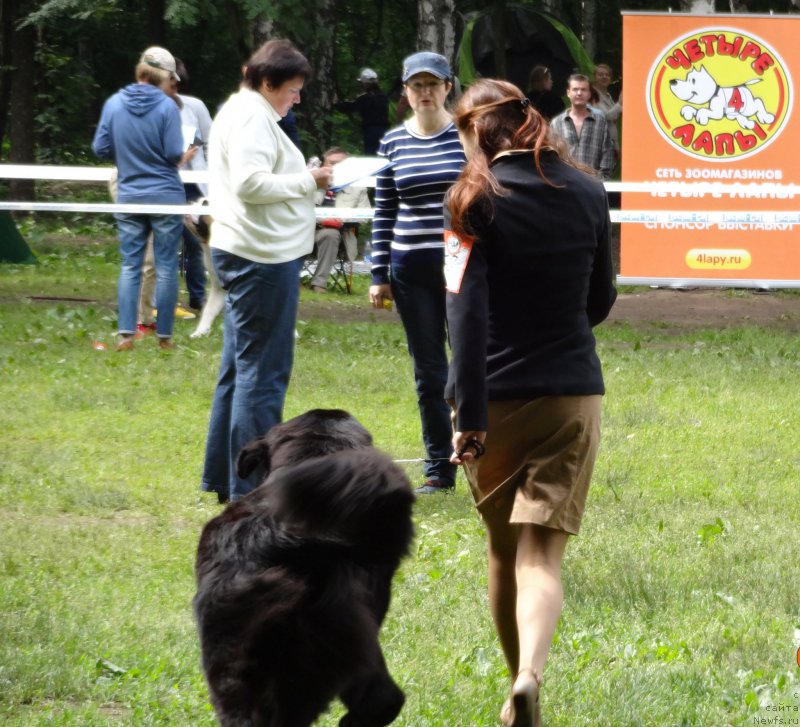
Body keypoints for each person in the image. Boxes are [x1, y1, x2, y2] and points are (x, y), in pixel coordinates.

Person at [444, 79, 617, 725]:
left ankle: (515, 685)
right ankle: (528, 678)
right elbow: (601, 298)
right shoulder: (588, 191)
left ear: (476, 131)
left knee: (501, 550)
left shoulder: (470, 199)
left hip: (496, 396)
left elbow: (463, 314)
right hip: (573, 389)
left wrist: (469, 411)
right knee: (543, 554)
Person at [201, 40, 333, 503]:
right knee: (263, 377)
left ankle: (224, 478)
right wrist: (310, 180)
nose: (296, 99)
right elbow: (250, 184)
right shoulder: (253, 116)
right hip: (260, 258)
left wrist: (307, 175)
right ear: (267, 81)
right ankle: (251, 491)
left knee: (239, 372)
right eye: (293, 90)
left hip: (248, 251)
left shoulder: (244, 112)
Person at [368, 51, 466, 494]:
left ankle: (484, 452)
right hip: (407, 265)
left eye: (433, 84)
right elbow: (384, 209)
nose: (424, 93)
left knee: (470, 363)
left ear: (448, 87)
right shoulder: (392, 142)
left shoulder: (467, 135)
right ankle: (438, 469)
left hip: (460, 261)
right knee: (429, 371)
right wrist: (377, 273)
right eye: (416, 86)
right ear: (405, 92)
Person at [92, 46, 187, 351]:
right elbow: (174, 153)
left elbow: (100, 148)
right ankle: (165, 338)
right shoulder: (168, 107)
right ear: (166, 76)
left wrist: (126, 155)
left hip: (130, 193)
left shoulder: (114, 104)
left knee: (131, 265)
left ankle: (125, 334)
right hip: (165, 196)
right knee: (166, 266)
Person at [309, 147, 371, 293]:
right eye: (331, 163)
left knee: (330, 234)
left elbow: (365, 215)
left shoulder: (358, 188)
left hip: (338, 235)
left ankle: (319, 283)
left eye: (340, 164)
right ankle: (290, 280)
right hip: (305, 229)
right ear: (324, 165)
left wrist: (340, 220)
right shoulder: (310, 182)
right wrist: (321, 220)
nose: (335, 168)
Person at [549, 73, 615, 180]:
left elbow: (607, 151)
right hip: (566, 184)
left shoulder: (600, 121)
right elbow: (551, 156)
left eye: (583, 90)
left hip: (594, 184)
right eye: (575, 89)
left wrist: (603, 179)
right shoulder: (556, 123)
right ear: (568, 93)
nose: (579, 93)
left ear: (589, 94)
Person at [336, 68, 390, 155]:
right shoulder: (383, 96)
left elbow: (349, 107)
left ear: (366, 83)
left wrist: (336, 103)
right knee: (384, 154)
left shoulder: (365, 97)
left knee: (370, 155)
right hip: (384, 130)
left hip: (371, 130)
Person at [592, 63, 622, 159]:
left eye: (607, 75)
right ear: (594, 77)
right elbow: (605, 116)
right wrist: (620, 103)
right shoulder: (592, 94)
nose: (604, 77)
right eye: (600, 75)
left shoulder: (608, 95)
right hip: (600, 141)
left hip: (611, 140)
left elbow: (613, 119)